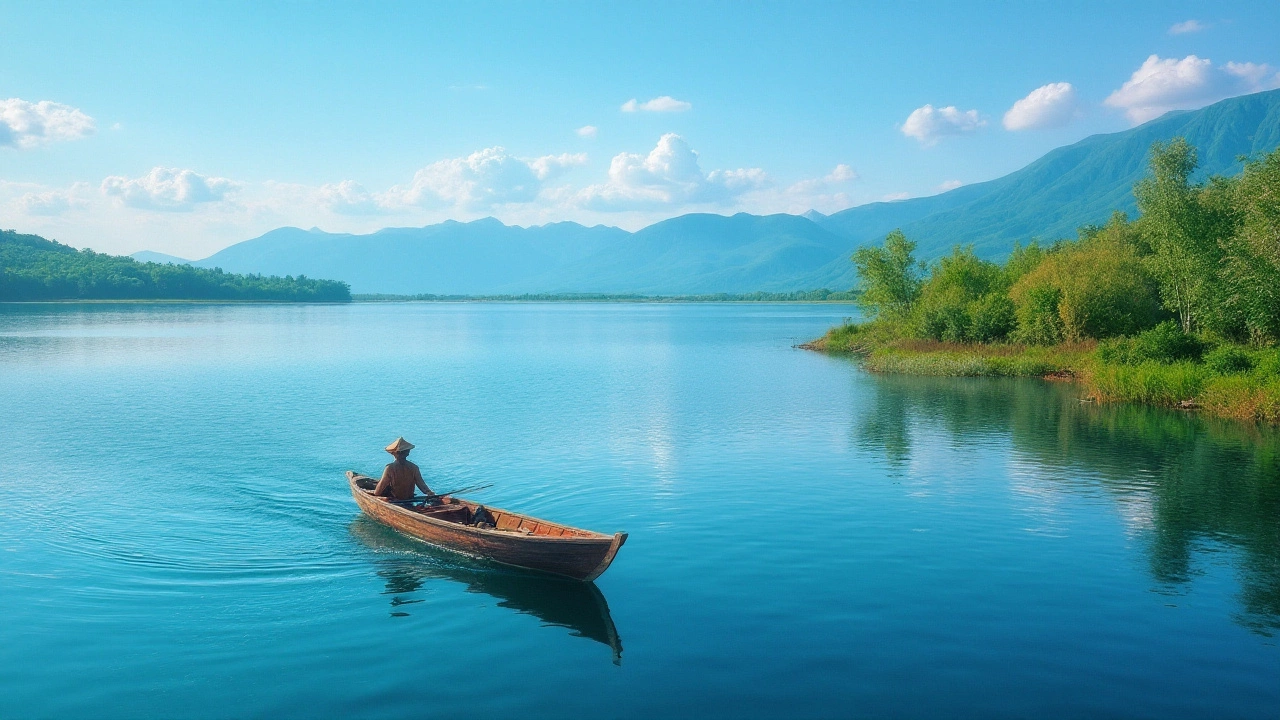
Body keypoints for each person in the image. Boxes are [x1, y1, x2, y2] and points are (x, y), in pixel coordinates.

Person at [373, 437, 432, 501]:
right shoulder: (414, 467)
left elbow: (378, 491)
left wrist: (373, 493)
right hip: (410, 501)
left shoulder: (390, 468)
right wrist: (429, 492)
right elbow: (423, 487)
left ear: (393, 453)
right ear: (408, 452)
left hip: (396, 502)